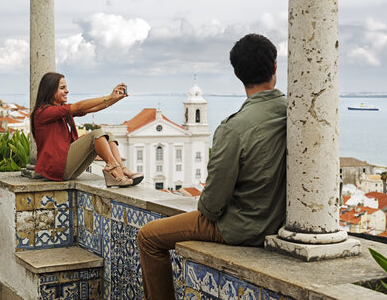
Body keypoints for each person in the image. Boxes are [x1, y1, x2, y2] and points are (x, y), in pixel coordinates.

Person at [137, 34, 287, 300]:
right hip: (282, 222)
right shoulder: (293, 112)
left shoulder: (234, 128)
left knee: (148, 237)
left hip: (243, 227)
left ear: (237, 73)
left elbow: (211, 205)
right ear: (275, 67)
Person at [31, 72, 144, 187]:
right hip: (56, 169)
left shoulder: (60, 110)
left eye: (66, 87)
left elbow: (93, 108)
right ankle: (114, 170)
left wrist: (115, 98)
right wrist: (109, 97)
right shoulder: (43, 112)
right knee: (96, 134)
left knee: (108, 135)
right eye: (62, 88)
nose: (67, 91)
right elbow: (79, 106)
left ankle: (122, 169)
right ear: (50, 89)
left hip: (66, 168)